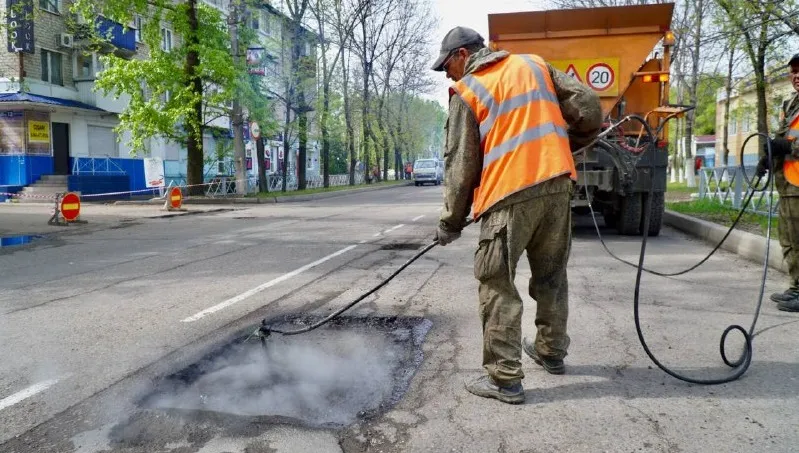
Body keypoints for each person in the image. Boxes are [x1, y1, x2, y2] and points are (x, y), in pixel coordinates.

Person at [431, 26, 602, 404]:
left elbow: (461, 167)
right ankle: (551, 352)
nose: (448, 75)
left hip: (509, 195)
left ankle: (505, 379)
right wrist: (569, 142)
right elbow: (588, 105)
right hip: (557, 187)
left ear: (462, 55)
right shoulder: (534, 65)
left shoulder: (469, 90)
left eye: (446, 66)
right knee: (552, 276)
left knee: (496, 283)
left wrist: (450, 223)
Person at [758, 53, 799, 311]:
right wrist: (768, 158)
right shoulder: (790, 103)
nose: (797, 76)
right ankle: (796, 287)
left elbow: (789, 142)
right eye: (794, 71)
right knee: (790, 240)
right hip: (788, 185)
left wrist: (786, 146)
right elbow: (781, 138)